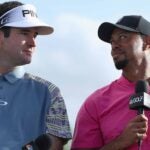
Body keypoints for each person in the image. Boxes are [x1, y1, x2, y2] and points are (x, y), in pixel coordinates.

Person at [0, 1, 72, 150]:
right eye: (25, 33)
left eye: (35, 35)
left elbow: (54, 145)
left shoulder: (49, 92)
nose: (33, 43)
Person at [71, 15, 150, 150]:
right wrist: (121, 142)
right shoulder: (95, 103)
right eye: (112, 41)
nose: (114, 46)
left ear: (147, 41)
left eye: (123, 37)